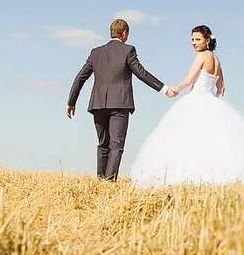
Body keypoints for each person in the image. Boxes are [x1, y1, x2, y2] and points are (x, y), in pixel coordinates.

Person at [128, 25, 244, 187]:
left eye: (198, 39)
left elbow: (189, 80)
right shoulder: (216, 59)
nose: (194, 43)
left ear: (207, 40)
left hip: (197, 99)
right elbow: (221, 87)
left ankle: (188, 178)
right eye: (192, 39)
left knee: (186, 139)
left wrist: (175, 89)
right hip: (212, 100)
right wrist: (214, 102)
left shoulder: (202, 56)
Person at [66, 18, 177, 181]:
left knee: (103, 144)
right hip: (120, 104)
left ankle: (100, 181)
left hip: (98, 105)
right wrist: (164, 88)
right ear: (124, 34)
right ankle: (109, 183)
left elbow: (80, 77)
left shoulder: (95, 52)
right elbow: (142, 73)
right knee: (116, 145)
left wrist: (71, 101)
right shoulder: (128, 50)